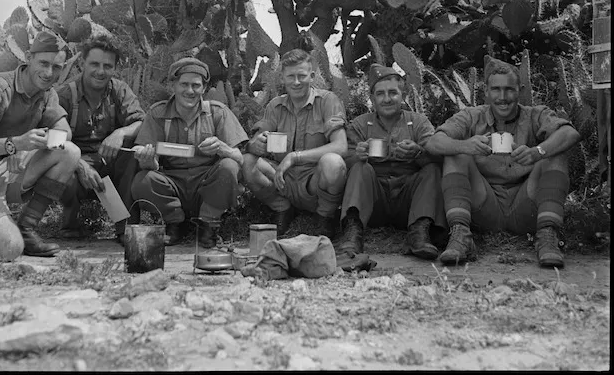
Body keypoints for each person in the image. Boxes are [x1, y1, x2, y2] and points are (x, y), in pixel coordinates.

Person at [424, 58, 581, 268]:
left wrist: (537, 152)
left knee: (555, 154)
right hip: (484, 205)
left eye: (509, 89)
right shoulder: (471, 117)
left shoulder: (536, 114)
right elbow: (434, 142)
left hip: (527, 205)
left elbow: (569, 133)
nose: (502, 97)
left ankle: (547, 236)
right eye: (496, 89)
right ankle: (461, 235)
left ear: (520, 90)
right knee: (456, 154)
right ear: (486, 91)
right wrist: (466, 146)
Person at [0, 32, 80, 259]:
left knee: (69, 152)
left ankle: (27, 227)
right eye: (43, 63)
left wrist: (26, 148)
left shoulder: (47, 94)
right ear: (28, 57)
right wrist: (14, 144)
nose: (48, 73)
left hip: (6, 171)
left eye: (57, 67)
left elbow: (64, 135)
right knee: (9, 250)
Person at [129, 57, 248, 248]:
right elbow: (151, 166)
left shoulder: (218, 112)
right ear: (173, 85)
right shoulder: (157, 113)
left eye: (196, 85)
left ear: (204, 88)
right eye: (184, 84)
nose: (190, 91)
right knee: (142, 181)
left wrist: (222, 148)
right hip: (172, 184)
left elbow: (240, 158)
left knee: (229, 167)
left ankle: (208, 224)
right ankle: (175, 222)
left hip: (206, 186)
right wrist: (147, 158)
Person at [336, 63, 447, 261]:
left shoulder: (419, 122)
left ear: (402, 95)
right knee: (361, 168)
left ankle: (420, 231)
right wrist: (358, 156)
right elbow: (344, 159)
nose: (387, 99)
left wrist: (418, 152)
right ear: (372, 98)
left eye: (393, 93)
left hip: (409, 201)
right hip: (374, 201)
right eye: (380, 94)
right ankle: (352, 233)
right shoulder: (360, 124)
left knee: (431, 170)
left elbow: (437, 154)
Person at [241, 48, 348, 239]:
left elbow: (340, 146)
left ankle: (324, 216)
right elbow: (258, 137)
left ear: (312, 76)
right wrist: (255, 144)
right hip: (283, 179)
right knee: (248, 160)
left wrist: (295, 157)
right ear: (282, 78)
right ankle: (282, 209)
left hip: (314, 181)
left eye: (302, 76)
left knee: (334, 162)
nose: (296, 82)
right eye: (291, 76)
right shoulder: (275, 105)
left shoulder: (327, 101)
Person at [55, 35, 145, 242]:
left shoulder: (120, 90)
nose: (101, 71)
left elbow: (141, 122)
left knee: (132, 154)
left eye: (108, 66)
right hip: (76, 161)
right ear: (82, 63)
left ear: (114, 68)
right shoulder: (65, 95)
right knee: (64, 173)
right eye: (94, 64)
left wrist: (120, 133)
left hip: (108, 158)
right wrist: (78, 165)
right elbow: (52, 141)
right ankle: (70, 224)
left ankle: (126, 229)